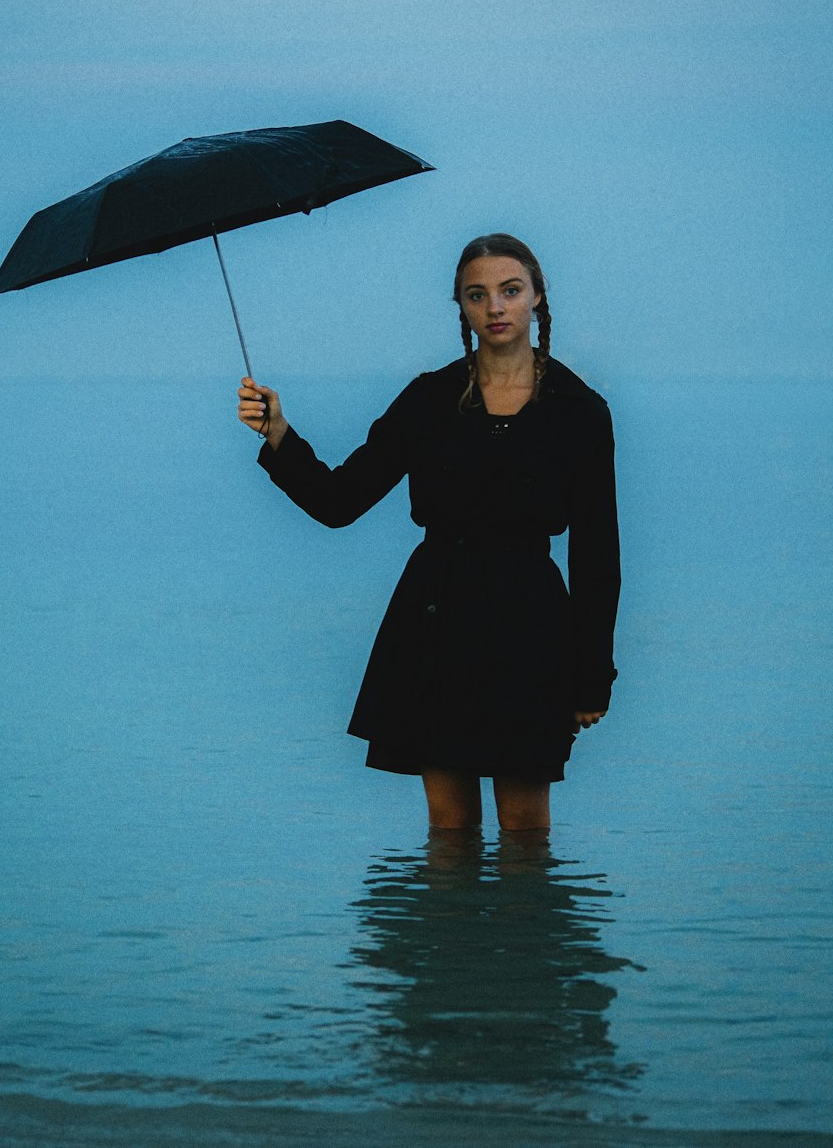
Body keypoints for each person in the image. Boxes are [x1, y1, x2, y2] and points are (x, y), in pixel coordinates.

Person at [237, 234, 619, 833]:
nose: (495, 307)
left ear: (538, 299)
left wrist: (593, 673)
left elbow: (599, 555)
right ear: (461, 307)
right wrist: (279, 433)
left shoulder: (580, 411)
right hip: (436, 619)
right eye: (477, 295)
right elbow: (340, 501)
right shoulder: (428, 399)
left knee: (526, 830)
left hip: (531, 626)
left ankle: (528, 933)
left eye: (510, 291)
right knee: (449, 829)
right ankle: (448, 932)